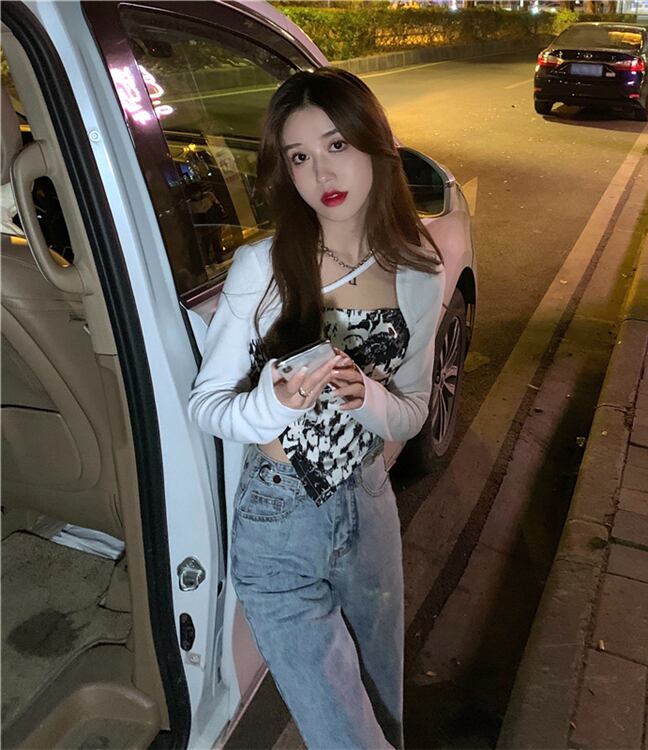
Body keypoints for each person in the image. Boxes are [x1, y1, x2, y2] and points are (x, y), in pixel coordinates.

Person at [188, 67, 445, 750]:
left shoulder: (418, 269)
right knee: (348, 738)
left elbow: (414, 409)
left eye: (336, 145)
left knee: (383, 708)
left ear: (374, 145)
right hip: (278, 525)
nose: (321, 172)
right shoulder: (264, 265)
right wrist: (271, 404)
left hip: (368, 506)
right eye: (299, 157)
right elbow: (208, 406)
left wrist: (370, 399)